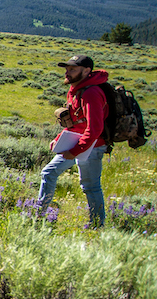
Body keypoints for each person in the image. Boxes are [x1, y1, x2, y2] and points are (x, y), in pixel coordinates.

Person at [37, 55, 110, 227]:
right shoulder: (77, 89)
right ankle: (38, 216)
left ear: (86, 71)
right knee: (48, 173)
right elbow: (76, 121)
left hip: (92, 147)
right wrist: (59, 139)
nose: (68, 73)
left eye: (73, 69)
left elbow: (94, 129)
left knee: (90, 186)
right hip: (77, 143)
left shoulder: (91, 93)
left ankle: (97, 226)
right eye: (67, 69)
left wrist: (74, 151)